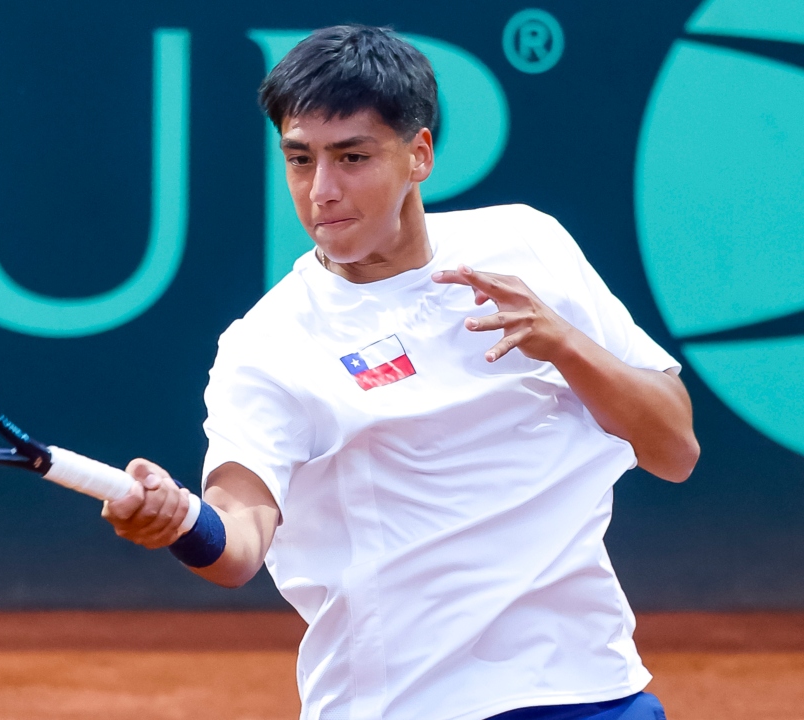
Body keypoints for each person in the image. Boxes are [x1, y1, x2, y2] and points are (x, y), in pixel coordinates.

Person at [102, 24, 698, 720]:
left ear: (419, 154)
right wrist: (179, 521)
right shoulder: (268, 345)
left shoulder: (527, 243)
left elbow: (675, 450)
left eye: (352, 157)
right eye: (300, 160)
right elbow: (238, 543)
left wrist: (566, 345)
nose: (322, 190)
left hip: (589, 690)